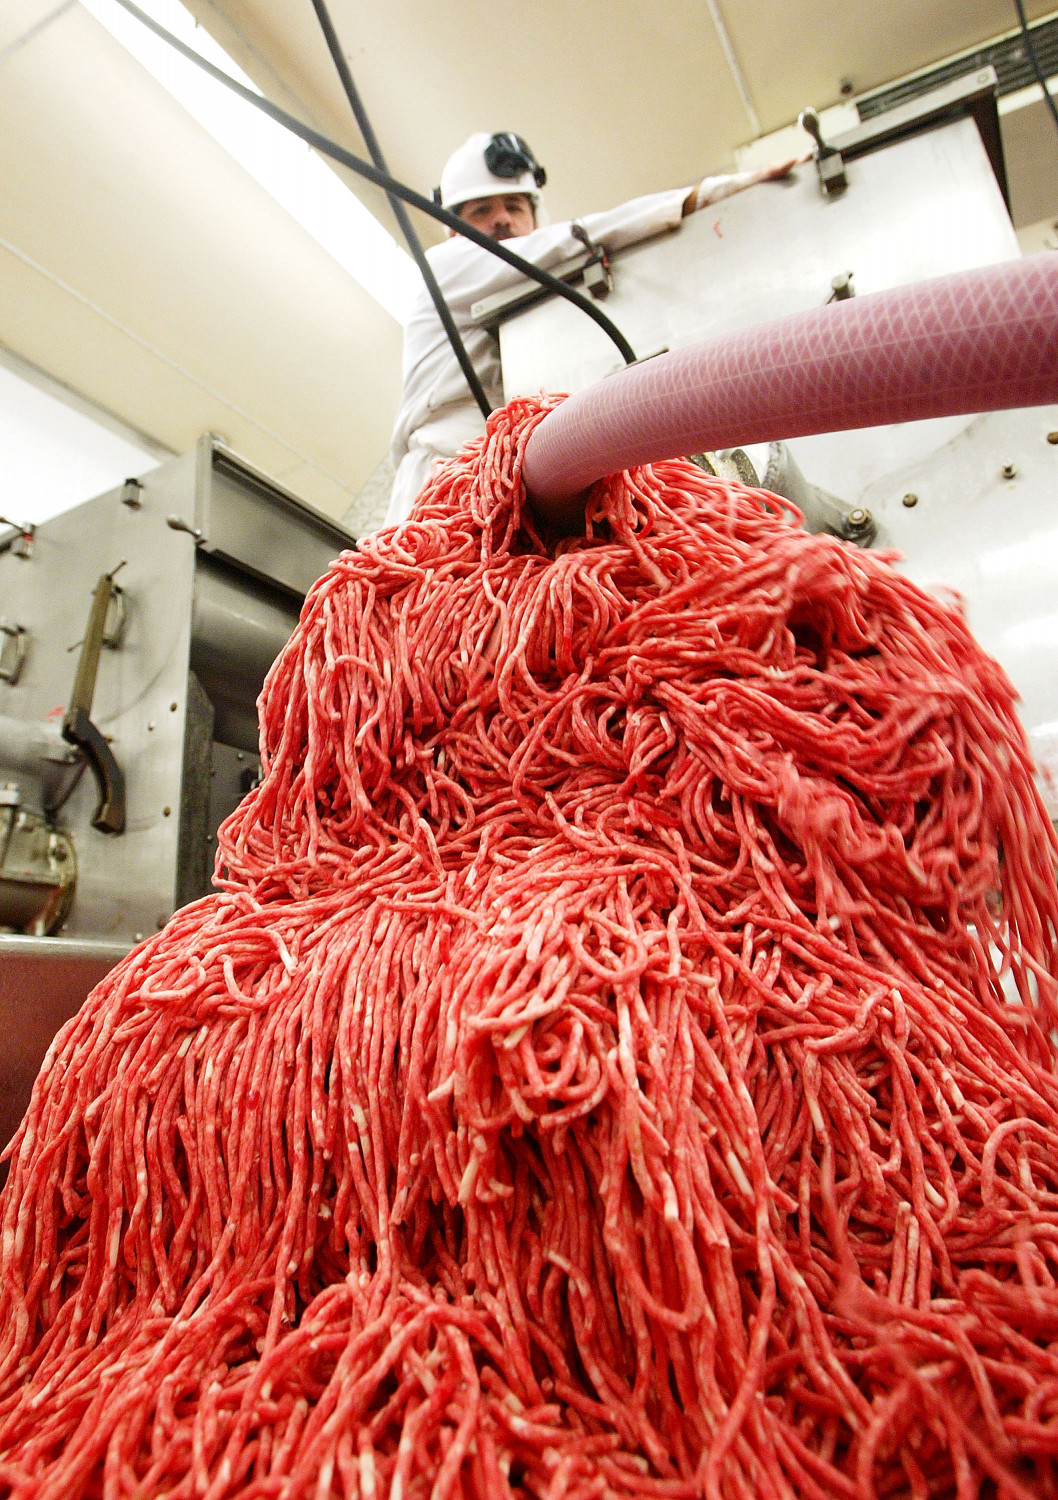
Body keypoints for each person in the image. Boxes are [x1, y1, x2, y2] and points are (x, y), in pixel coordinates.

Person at [386, 131, 805, 524]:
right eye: (482, 211)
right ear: (454, 225)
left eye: (515, 206)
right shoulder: (445, 266)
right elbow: (572, 240)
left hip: (494, 477)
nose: (502, 220)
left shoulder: (535, 300)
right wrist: (703, 196)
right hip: (438, 473)